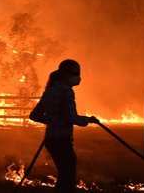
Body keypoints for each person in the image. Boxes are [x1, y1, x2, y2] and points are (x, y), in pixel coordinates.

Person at [30, 59, 99, 193]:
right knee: (67, 177)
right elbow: (71, 117)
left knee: (64, 175)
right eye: (76, 73)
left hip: (51, 140)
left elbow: (34, 115)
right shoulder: (66, 91)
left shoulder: (50, 91)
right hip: (62, 140)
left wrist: (52, 120)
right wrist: (88, 120)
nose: (79, 77)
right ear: (66, 74)